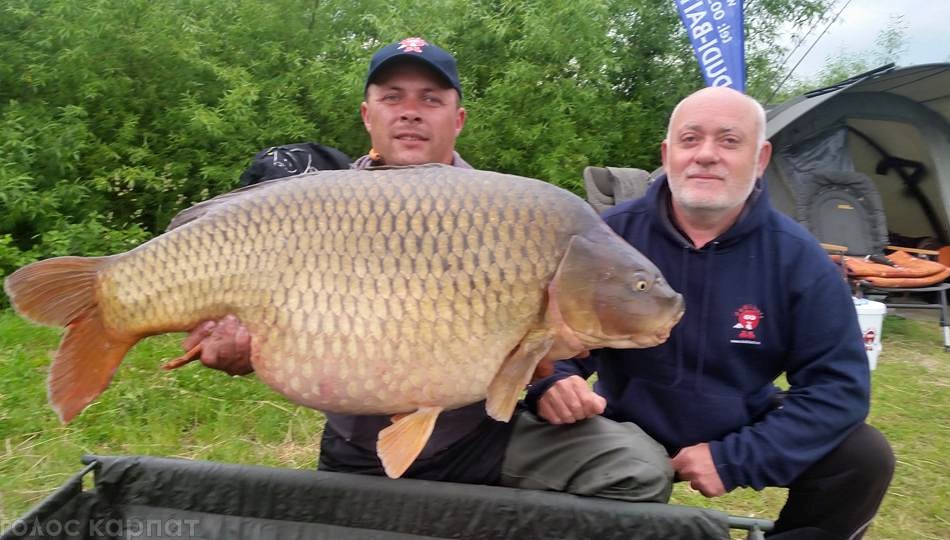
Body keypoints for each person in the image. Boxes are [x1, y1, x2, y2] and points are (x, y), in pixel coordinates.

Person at [180, 37, 673, 502]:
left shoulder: (513, 215)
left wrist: (547, 377)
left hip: (482, 438)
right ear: (367, 115)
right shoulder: (315, 209)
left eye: (430, 99)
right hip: (357, 448)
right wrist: (240, 346)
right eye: (393, 97)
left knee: (637, 469)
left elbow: (527, 331)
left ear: (457, 119)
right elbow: (267, 334)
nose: (411, 111)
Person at [525, 87, 896, 539]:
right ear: (668, 154)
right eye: (690, 139)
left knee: (863, 458)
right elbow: (550, 335)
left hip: (734, 427)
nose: (706, 155)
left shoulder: (800, 258)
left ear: (760, 158)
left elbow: (839, 388)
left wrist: (735, 458)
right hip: (616, 421)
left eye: (728, 141)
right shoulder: (608, 237)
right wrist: (553, 380)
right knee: (509, 435)